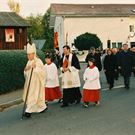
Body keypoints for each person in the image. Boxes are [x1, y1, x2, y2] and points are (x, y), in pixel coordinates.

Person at [23, 42, 47, 118]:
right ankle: (41, 108)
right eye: (27, 55)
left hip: (36, 82)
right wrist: (27, 68)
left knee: (34, 96)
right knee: (31, 96)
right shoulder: (28, 62)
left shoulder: (38, 61)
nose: (28, 56)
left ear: (33, 54)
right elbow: (25, 71)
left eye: (29, 54)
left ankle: (28, 111)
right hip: (29, 82)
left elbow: (43, 72)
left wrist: (35, 68)